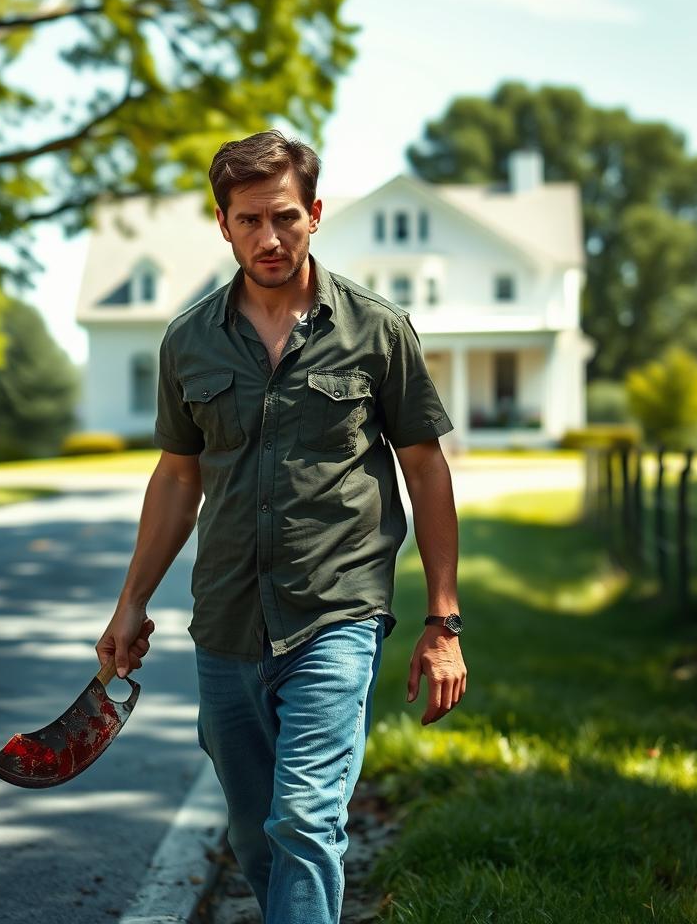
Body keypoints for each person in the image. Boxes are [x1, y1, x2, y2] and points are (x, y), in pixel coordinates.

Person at [96, 129, 467, 924]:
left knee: (305, 820)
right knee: (256, 835)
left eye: (286, 217)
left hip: (335, 614)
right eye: (250, 221)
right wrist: (132, 602)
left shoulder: (376, 331)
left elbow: (426, 468)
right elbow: (177, 477)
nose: (270, 238)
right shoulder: (188, 340)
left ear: (316, 214)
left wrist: (443, 620)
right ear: (223, 225)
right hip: (226, 621)